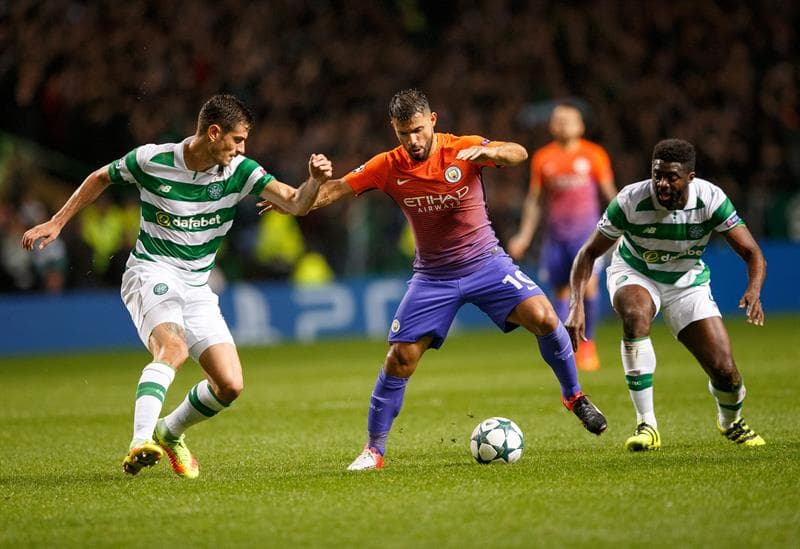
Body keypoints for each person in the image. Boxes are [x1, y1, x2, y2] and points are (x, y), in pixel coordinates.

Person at [261, 89, 607, 471]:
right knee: (400, 358)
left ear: (433, 121)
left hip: (487, 264)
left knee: (545, 317)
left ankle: (574, 397)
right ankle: (374, 451)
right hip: (433, 278)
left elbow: (518, 152)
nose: (413, 140)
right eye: (404, 133)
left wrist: (492, 153)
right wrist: (299, 195)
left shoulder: (463, 148)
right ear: (394, 129)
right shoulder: (387, 165)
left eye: (419, 130)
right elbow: (334, 190)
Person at [21, 94, 333, 477]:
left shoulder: (240, 170)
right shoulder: (154, 159)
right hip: (152, 271)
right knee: (173, 348)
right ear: (213, 133)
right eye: (237, 140)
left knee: (230, 385)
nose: (242, 149)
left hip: (197, 285)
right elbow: (100, 177)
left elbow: (295, 203)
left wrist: (315, 183)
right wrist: (57, 221)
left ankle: (169, 432)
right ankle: (139, 442)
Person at [566, 138, 766, 451]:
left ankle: (731, 422)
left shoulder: (711, 199)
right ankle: (647, 424)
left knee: (726, 372)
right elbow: (588, 254)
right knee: (634, 314)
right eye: (657, 174)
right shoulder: (631, 199)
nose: (662, 183)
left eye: (671, 176)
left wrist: (753, 290)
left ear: (690, 177)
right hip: (635, 272)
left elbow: (752, 252)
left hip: (687, 283)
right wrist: (576, 305)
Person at [508, 102, 617, 371]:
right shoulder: (543, 158)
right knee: (560, 291)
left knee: (587, 285)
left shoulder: (594, 155)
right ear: (551, 126)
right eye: (558, 120)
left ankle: (587, 345)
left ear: (580, 126)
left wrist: (620, 224)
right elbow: (534, 200)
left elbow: (609, 192)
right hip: (556, 236)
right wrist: (524, 235)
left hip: (587, 234)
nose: (563, 124)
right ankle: (566, 346)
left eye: (569, 120)